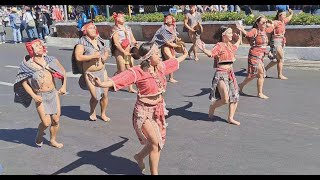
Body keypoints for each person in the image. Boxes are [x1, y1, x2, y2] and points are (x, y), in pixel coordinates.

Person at [88, 42, 188, 175]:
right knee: (156, 143)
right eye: (157, 53)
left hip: (158, 110)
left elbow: (174, 61)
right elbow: (118, 79)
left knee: (155, 144)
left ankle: (139, 157)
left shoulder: (160, 67)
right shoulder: (137, 71)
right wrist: (100, 83)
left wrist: (186, 54)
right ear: (148, 57)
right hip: (143, 113)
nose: (160, 55)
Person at [14, 39, 67, 148]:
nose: (40, 47)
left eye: (40, 45)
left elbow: (63, 72)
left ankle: (53, 140)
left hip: (53, 93)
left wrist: (63, 86)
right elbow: (24, 83)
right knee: (46, 122)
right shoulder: (27, 65)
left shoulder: (50, 60)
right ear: (31, 50)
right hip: (40, 96)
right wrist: (34, 96)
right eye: (36, 46)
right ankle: (39, 134)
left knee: (56, 120)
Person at [196, 26, 242, 125]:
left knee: (234, 96)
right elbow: (211, 53)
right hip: (221, 74)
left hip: (230, 73)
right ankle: (212, 107)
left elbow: (237, 46)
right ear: (223, 35)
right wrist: (203, 49)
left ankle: (230, 118)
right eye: (229, 33)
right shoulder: (219, 46)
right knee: (225, 99)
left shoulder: (230, 45)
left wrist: (239, 38)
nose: (231, 34)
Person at [73, 22, 110, 122]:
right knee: (95, 96)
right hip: (90, 73)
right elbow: (78, 57)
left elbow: (106, 50)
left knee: (105, 95)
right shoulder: (82, 42)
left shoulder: (99, 39)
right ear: (85, 31)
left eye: (94, 28)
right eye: (90, 28)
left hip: (102, 71)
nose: (93, 29)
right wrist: (92, 56)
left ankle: (103, 113)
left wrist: (105, 56)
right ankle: (92, 111)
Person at [236, 15, 274, 99]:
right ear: (257, 23)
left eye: (265, 22)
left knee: (252, 75)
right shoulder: (255, 30)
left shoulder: (264, 31)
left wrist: (267, 53)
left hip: (260, 56)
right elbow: (249, 34)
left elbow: (262, 46)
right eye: (263, 22)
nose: (264, 24)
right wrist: (242, 30)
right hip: (254, 55)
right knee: (260, 74)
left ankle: (241, 85)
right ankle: (259, 93)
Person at [110, 12, 138, 93]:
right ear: (117, 19)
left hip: (128, 51)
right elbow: (116, 43)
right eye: (121, 17)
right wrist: (123, 52)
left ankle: (130, 88)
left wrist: (136, 44)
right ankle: (112, 82)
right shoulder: (115, 29)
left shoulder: (128, 28)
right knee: (121, 70)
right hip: (119, 52)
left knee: (130, 69)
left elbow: (132, 39)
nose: (123, 18)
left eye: (123, 17)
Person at [265, 8, 293, 80]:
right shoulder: (276, 22)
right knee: (280, 58)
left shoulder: (283, 21)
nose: (285, 16)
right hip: (276, 41)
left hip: (281, 41)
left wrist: (291, 13)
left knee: (277, 60)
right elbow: (270, 25)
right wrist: (268, 24)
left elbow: (289, 18)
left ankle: (265, 70)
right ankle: (279, 75)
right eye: (283, 15)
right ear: (279, 16)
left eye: (285, 15)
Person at [152, 14, 181, 83]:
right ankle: (157, 75)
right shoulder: (163, 29)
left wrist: (177, 39)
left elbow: (174, 35)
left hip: (171, 46)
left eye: (169, 18)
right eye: (167, 18)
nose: (168, 19)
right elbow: (166, 41)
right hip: (164, 46)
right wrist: (175, 46)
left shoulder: (173, 27)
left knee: (168, 62)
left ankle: (170, 77)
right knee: (171, 60)